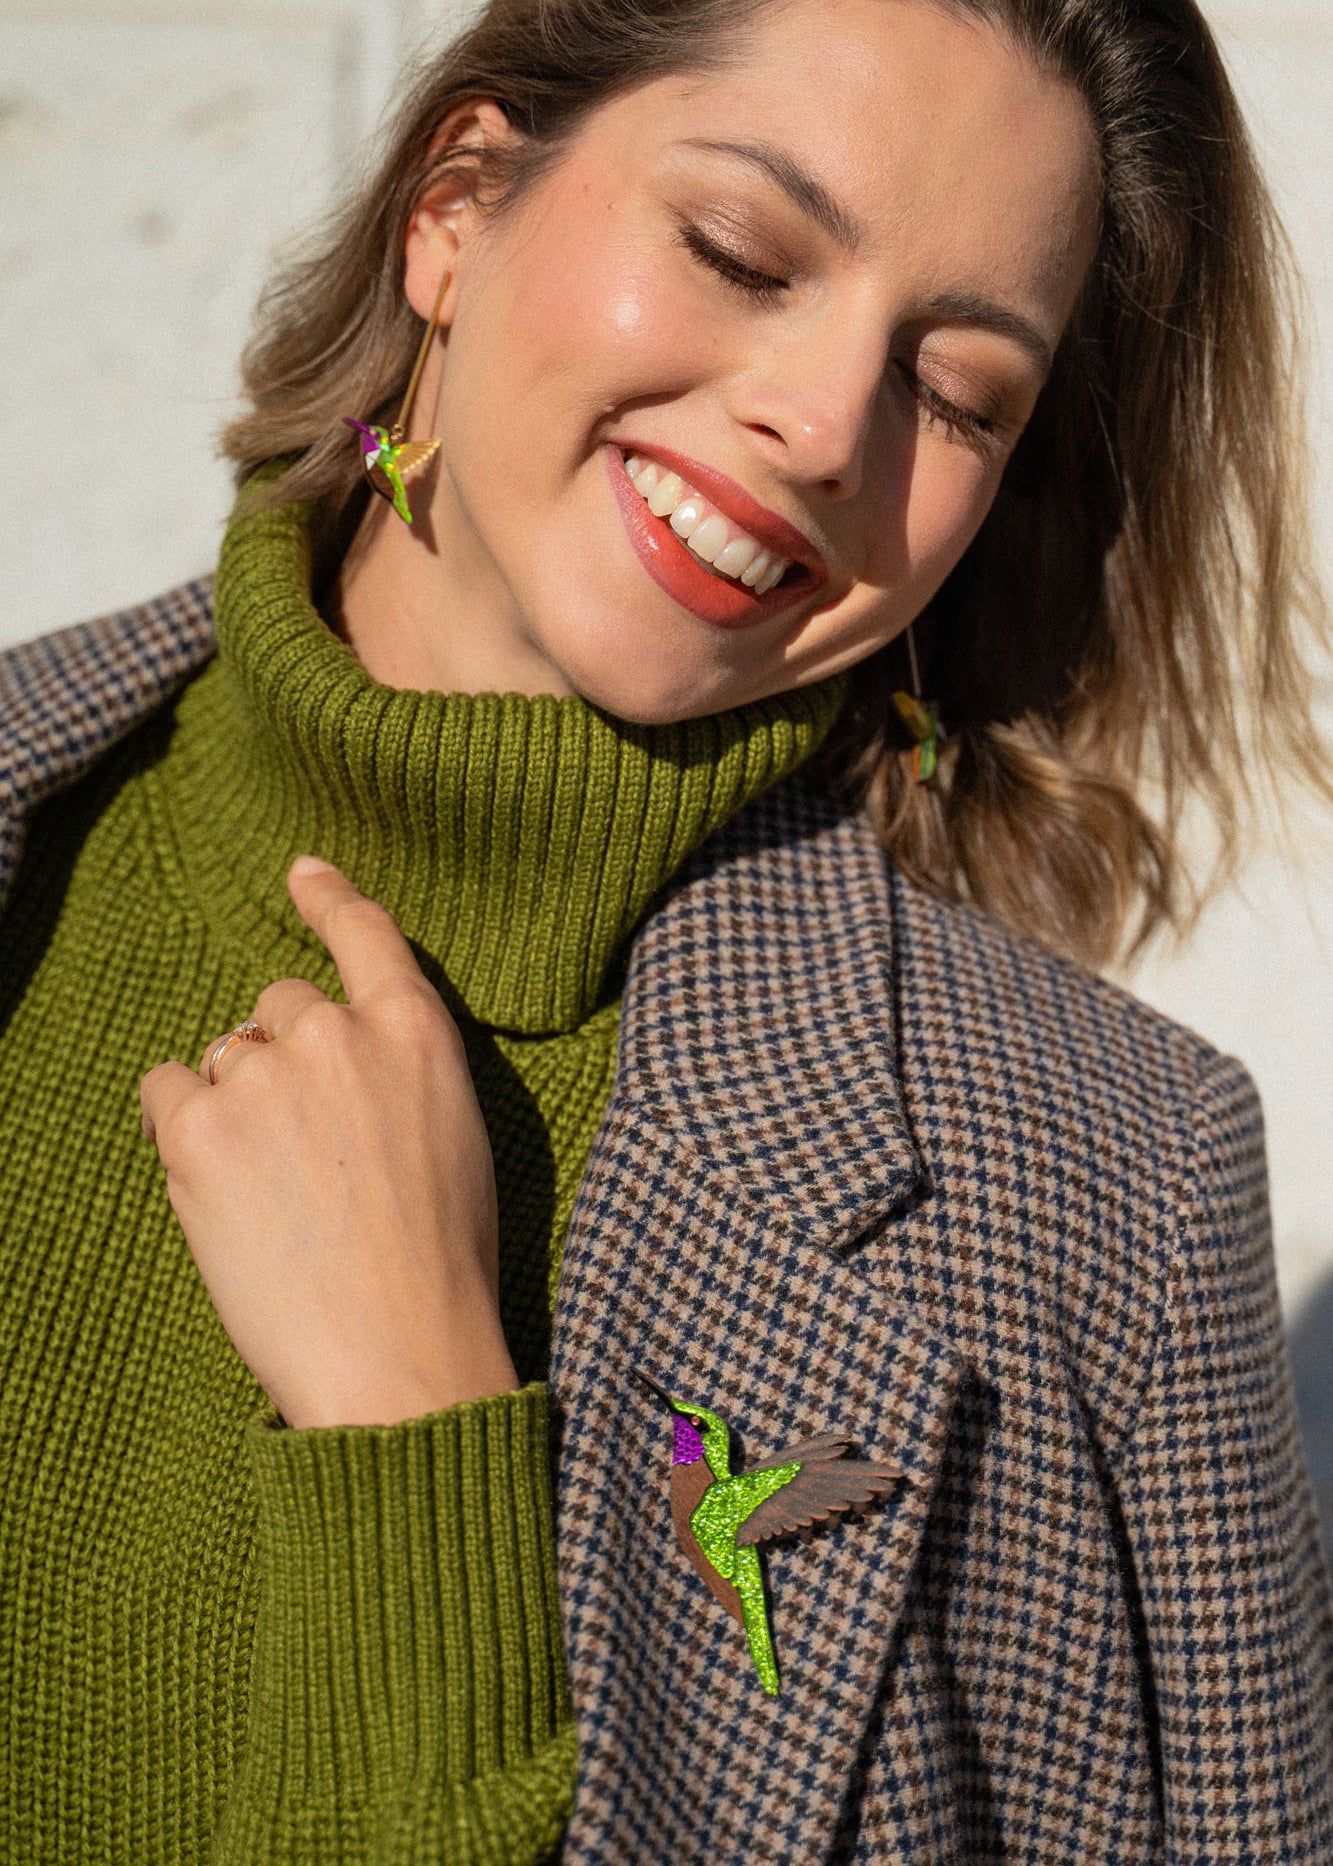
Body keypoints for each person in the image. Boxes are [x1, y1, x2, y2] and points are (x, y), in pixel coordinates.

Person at [0, 0, 1329, 1859]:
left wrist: (412, 1445)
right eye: (740, 252)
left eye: (953, 394)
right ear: (454, 208)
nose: (819, 424)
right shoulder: (32, 879)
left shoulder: (1108, 1195)